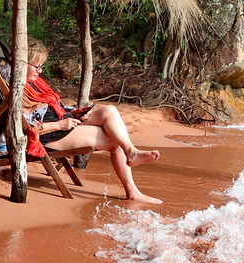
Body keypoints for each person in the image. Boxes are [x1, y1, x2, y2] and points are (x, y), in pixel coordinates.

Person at [21, 40, 162, 204]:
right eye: (36, 66)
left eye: (41, 66)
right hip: (50, 134)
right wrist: (60, 124)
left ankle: (131, 152)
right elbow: (26, 127)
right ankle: (132, 191)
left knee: (109, 111)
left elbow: (49, 106)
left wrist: (72, 112)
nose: (40, 71)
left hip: (61, 120)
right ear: (22, 63)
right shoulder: (16, 90)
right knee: (114, 140)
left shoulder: (32, 83)